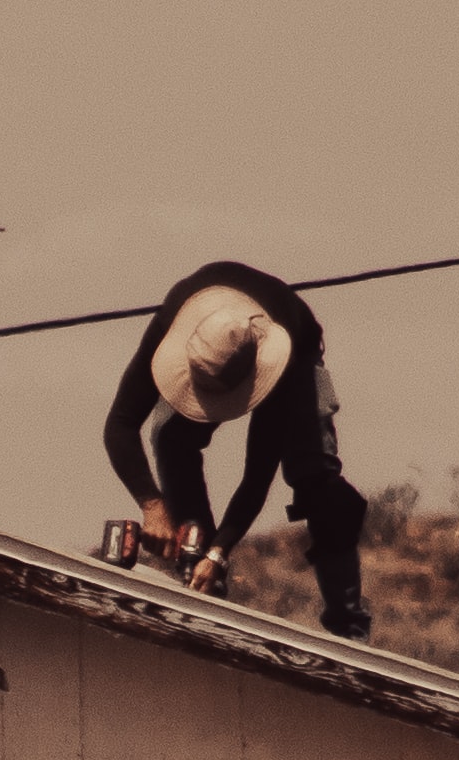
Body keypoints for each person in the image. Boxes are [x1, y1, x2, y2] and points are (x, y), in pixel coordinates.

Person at [98, 260, 375, 637]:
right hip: (214, 348)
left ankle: (348, 624)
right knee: (170, 437)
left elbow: (257, 474)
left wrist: (220, 552)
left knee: (316, 479)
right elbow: (120, 423)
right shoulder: (172, 322)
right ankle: (194, 569)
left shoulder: (283, 364)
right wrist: (153, 506)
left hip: (296, 351)